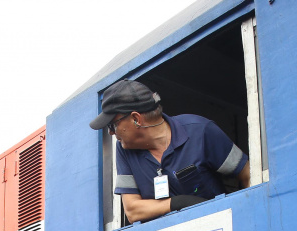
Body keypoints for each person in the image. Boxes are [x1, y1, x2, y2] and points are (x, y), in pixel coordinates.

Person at [89, 80, 251, 223]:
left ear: (136, 119)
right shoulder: (124, 150)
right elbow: (132, 210)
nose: (111, 132)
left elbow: (248, 175)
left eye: (112, 125)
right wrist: (177, 203)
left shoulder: (200, 131)